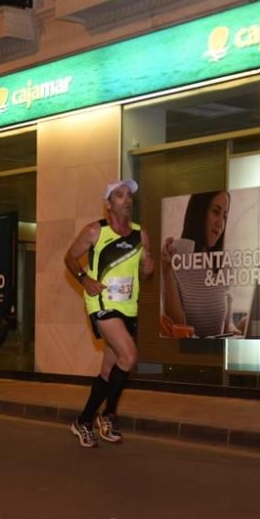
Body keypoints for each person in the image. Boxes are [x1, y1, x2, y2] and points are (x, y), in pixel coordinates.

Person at [64, 179, 155, 447]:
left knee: (109, 369)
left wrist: (148, 270)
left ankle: (84, 420)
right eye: (119, 195)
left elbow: (144, 273)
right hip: (101, 303)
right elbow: (69, 258)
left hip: (128, 306)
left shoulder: (141, 234)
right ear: (108, 204)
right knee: (129, 356)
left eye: (129, 195)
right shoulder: (95, 231)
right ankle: (109, 415)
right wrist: (84, 278)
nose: (126, 199)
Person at [160, 190, 246, 338]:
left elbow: (227, 323)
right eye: (215, 212)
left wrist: (233, 327)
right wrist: (167, 272)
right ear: (198, 212)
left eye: (224, 216)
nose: (221, 223)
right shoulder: (174, 255)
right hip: (189, 354)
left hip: (219, 352)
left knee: (246, 321)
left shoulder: (223, 263)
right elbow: (178, 325)